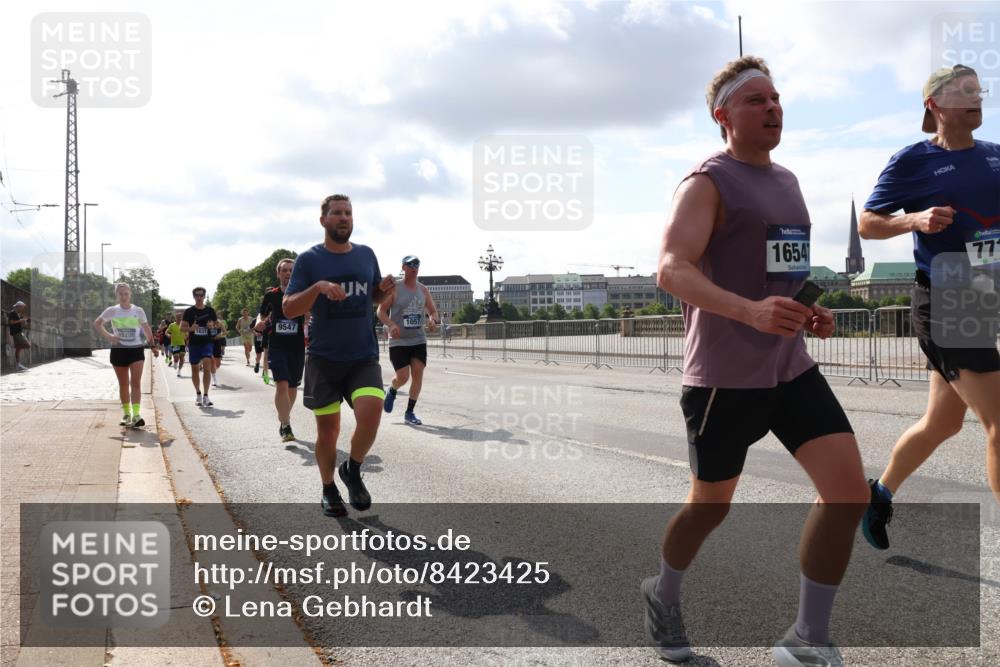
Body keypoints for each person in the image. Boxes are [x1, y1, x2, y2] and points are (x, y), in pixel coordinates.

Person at [650, 56, 868, 666]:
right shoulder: (705, 183)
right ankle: (663, 592)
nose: (772, 108)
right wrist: (749, 312)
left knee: (848, 495)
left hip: (790, 368)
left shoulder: (789, 182)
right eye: (756, 101)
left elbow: (781, 273)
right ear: (723, 116)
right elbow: (670, 269)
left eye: (776, 99)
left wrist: (806, 311)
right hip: (725, 378)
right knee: (710, 507)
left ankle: (807, 639)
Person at [859, 64, 1000, 550]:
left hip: (984, 295)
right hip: (947, 296)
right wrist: (914, 220)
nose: (976, 98)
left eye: (978, 90)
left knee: (943, 422)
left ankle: (877, 495)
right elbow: (867, 224)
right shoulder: (913, 160)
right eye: (965, 91)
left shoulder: (995, 156)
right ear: (935, 105)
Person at [283, 194, 395, 518]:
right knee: (328, 431)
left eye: (348, 213)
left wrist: (384, 289)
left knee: (371, 414)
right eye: (337, 213)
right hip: (324, 359)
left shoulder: (366, 254)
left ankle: (353, 469)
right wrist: (317, 287)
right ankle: (328, 487)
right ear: (323, 220)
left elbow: (374, 296)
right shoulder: (309, 260)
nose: (344, 217)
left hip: (362, 356)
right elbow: (289, 309)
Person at [378, 255, 440, 425]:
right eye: (410, 264)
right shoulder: (395, 288)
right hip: (398, 340)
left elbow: (433, 312)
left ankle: (409, 412)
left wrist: (433, 320)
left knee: (418, 374)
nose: (414, 267)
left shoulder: (423, 290)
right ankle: (392, 389)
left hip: (418, 339)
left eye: (417, 264)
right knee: (403, 377)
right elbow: (381, 311)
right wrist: (391, 324)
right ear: (403, 267)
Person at [93, 283, 157, 427]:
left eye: (126, 294)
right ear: (117, 295)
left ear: (130, 294)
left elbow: (146, 329)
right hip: (119, 350)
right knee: (123, 384)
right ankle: (127, 414)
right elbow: (97, 324)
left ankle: (136, 415)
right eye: (120, 294)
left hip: (136, 350)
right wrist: (109, 336)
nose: (123, 296)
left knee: (135, 383)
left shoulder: (138, 311)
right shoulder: (112, 310)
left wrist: (153, 345)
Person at [257, 258, 305, 442]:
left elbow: (311, 314)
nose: (288, 273)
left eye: (291, 270)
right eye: (284, 270)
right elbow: (261, 315)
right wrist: (260, 322)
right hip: (277, 345)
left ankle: (284, 416)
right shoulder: (271, 295)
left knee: (292, 387)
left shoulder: (302, 293)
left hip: (297, 346)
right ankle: (286, 425)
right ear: (278, 273)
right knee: (282, 384)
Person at [181, 287, 218, 408]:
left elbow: (217, 324)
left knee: (207, 367)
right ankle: (198, 394)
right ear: (194, 296)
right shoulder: (189, 311)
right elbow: (182, 328)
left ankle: (206, 396)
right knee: (195, 370)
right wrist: (190, 329)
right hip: (194, 344)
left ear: (204, 296)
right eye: (197, 295)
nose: (199, 297)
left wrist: (212, 325)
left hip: (207, 342)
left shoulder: (210, 310)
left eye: (201, 295)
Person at [7, 301, 31, 372]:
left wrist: (25, 320)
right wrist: (21, 320)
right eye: (22, 307)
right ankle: (18, 364)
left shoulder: (17, 313)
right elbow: (11, 322)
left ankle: (18, 365)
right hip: (17, 333)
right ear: (18, 306)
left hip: (18, 332)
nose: (22, 309)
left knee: (18, 349)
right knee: (28, 345)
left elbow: (19, 320)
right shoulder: (12, 313)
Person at [166, 312, 186, 377]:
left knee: (182, 357)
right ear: (176, 318)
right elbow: (166, 332)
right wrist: (168, 335)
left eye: (180, 317)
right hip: (175, 344)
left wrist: (186, 336)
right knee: (176, 357)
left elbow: (187, 333)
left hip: (182, 343)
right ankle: (175, 362)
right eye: (178, 317)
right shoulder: (172, 325)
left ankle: (179, 371)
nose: (179, 318)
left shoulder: (183, 325)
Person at [211, 316, 228, 387]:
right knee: (212, 361)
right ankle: (214, 379)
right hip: (208, 344)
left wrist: (219, 335)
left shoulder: (219, 323)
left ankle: (213, 370)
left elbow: (225, 332)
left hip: (217, 343)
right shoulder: (207, 322)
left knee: (218, 364)